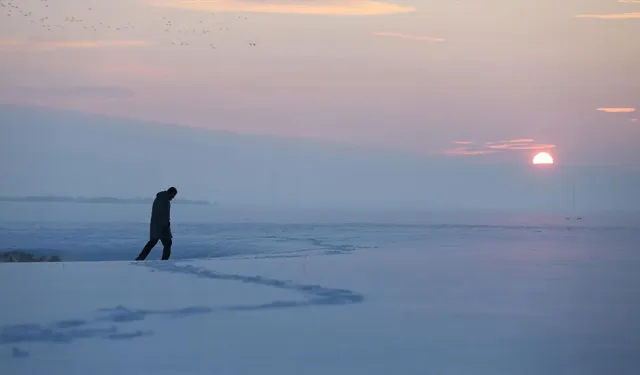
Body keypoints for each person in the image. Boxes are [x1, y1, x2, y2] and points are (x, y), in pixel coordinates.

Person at [135, 187, 177, 261]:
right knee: (165, 243)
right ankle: (164, 261)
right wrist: (165, 225)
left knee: (154, 242)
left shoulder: (163, 199)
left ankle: (141, 258)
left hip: (159, 225)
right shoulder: (163, 200)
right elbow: (160, 214)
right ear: (171, 193)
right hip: (161, 226)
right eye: (173, 196)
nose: (173, 198)